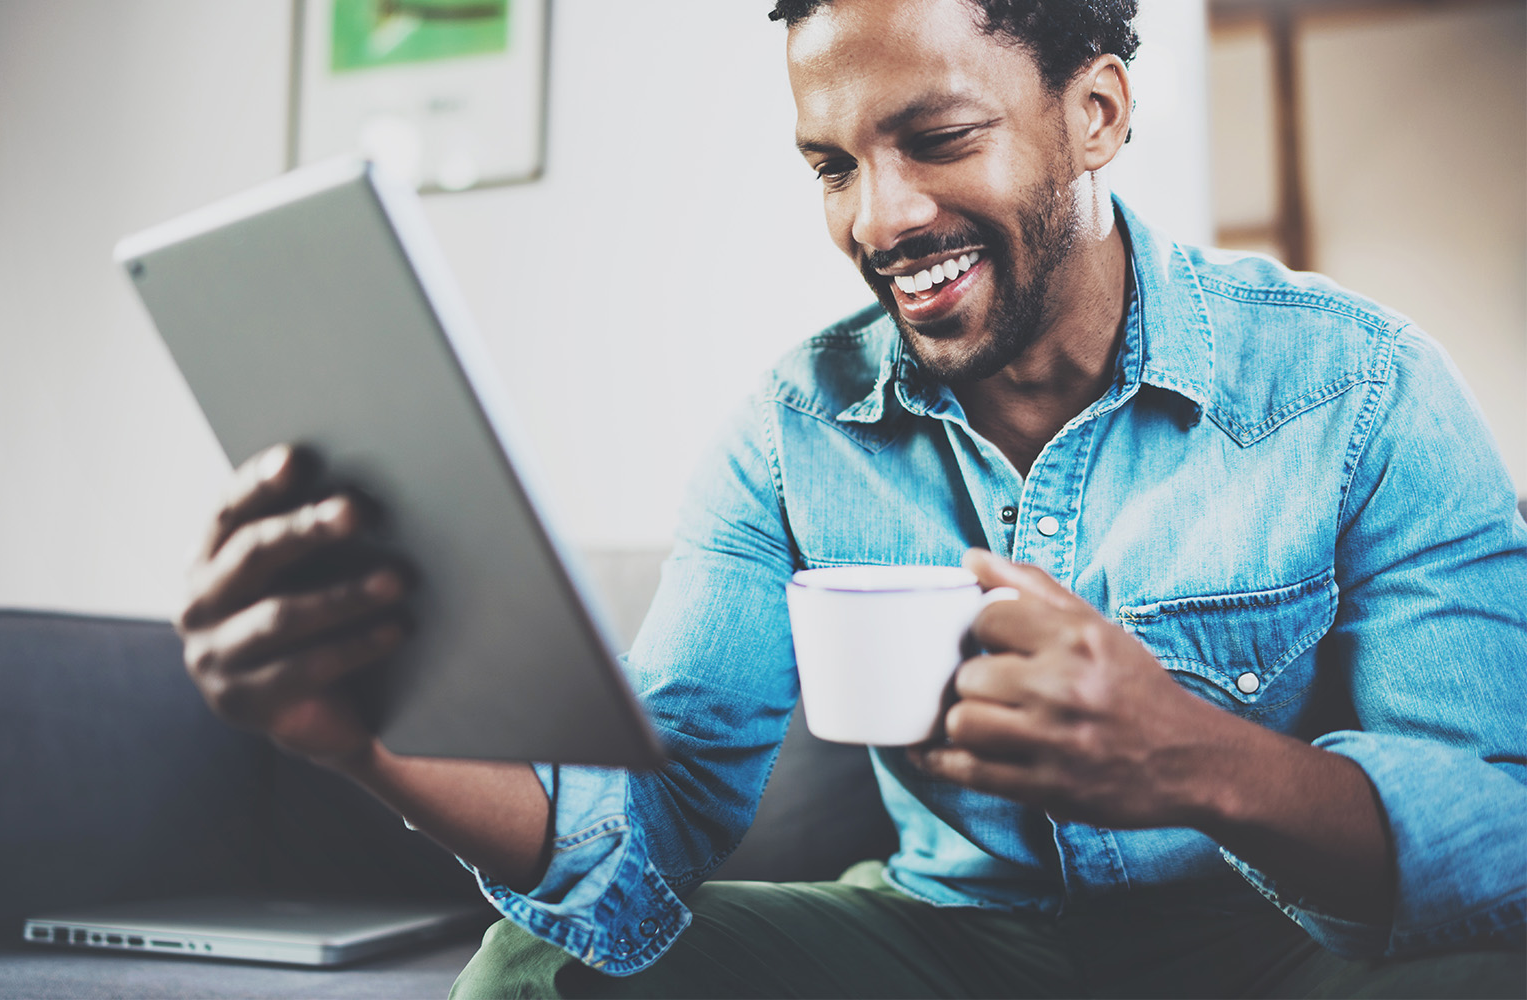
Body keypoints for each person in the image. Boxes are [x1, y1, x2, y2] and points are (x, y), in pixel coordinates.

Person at [173, 0, 1527, 995]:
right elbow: (649, 825)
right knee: (539, 967)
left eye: (937, 138)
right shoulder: (791, 429)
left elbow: (1500, 825)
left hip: (1279, 945)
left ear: (1098, 112)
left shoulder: (1359, 386)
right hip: (945, 942)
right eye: (832, 164)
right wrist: (365, 742)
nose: (878, 221)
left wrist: (1194, 755)